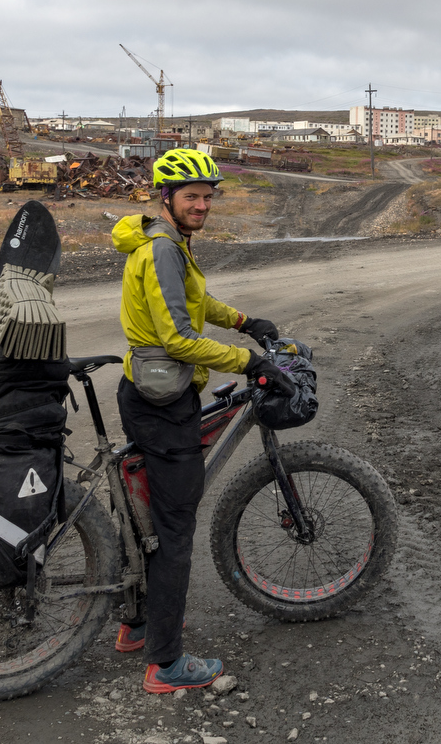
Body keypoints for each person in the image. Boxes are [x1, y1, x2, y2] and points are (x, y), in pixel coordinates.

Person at [110, 148, 290, 694]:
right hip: (162, 403)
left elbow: (193, 301)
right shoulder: (163, 250)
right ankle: (165, 665)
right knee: (173, 532)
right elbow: (176, 338)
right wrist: (249, 360)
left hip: (152, 394)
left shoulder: (166, 244)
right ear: (166, 198)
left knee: (148, 517)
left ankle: (137, 626)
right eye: (191, 196)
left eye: (208, 196)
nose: (202, 205)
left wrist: (245, 321)